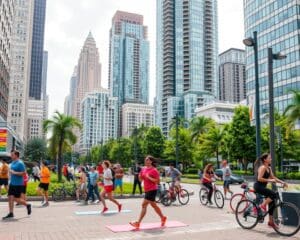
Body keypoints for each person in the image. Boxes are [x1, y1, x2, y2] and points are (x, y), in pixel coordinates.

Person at [130, 155, 167, 230]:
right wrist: (140, 177)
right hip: (147, 190)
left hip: (152, 189)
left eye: (147, 160)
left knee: (144, 205)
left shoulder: (154, 170)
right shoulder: (143, 169)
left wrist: (149, 177)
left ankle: (138, 223)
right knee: (154, 206)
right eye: (145, 160)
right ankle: (163, 217)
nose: (145, 161)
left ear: (151, 161)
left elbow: (158, 181)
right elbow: (141, 181)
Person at [254, 153, 288, 229]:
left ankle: (270, 222)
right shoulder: (262, 167)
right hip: (258, 187)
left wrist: (282, 182)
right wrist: (270, 180)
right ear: (265, 160)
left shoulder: (269, 168)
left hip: (263, 187)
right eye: (269, 158)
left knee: (272, 202)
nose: (271, 159)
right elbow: (259, 178)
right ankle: (262, 205)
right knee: (274, 195)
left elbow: (274, 177)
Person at [2, 150, 31, 220]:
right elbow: (11, 172)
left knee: (16, 199)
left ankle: (27, 205)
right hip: (12, 183)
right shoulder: (13, 162)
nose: (11, 156)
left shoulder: (20, 163)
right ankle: (11, 213)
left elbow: (24, 173)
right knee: (10, 197)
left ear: (16, 155)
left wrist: (14, 172)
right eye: (11, 154)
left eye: (12, 155)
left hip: (18, 184)